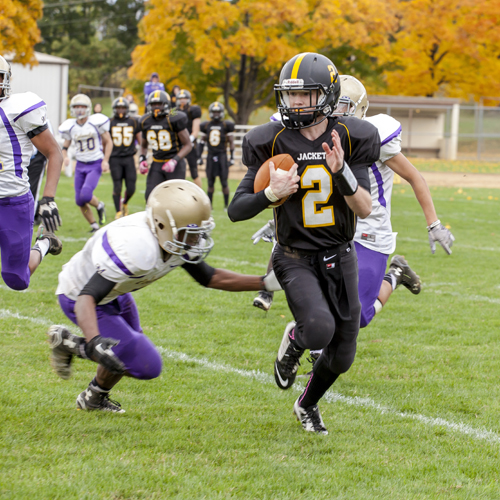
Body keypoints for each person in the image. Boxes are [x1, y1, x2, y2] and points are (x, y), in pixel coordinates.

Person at [228, 52, 380, 434]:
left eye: (305, 95)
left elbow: (363, 208)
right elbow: (236, 209)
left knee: (343, 355)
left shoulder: (351, 135)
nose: (295, 103)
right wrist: (270, 194)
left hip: (340, 253)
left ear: (327, 95)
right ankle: (296, 341)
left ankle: (306, 404)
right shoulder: (270, 139)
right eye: (290, 94)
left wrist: (341, 170)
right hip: (294, 255)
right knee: (317, 328)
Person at [47, 179, 281, 412]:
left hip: (116, 290)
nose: (196, 240)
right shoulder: (137, 247)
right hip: (80, 295)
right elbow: (87, 296)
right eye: (191, 233)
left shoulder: (170, 239)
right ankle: (70, 344)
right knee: (145, 363)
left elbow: (209, 277)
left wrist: (264, 282)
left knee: (129, 345)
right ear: (163, 226)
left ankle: (93, 398)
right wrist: (92, 342)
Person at [0, 54, 63, 291]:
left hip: (12, 203)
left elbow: (54, 152)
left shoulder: (18, 109)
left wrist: (48, 199)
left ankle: (45, 242)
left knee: (16, 279)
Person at [59, 94, 112, 233]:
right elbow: (65, 147)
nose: (80, 110)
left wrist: (105, 160)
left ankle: (99, 205)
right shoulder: (70, 126)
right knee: (79, 201)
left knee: (86, 195)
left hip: (95, 163)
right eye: (77, 107)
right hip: (80, 165)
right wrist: (65, 157)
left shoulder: (95, 123)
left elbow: (109, 141)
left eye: (82, 107)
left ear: (88, 108)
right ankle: (94, 225)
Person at [138, 90, 192, 201]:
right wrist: (142, 159)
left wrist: (174, 160)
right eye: (153, 105)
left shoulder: (174, 118)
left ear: (166, 105)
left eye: (159, 104)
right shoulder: (145, 121)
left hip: (175, 164)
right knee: (150, 197)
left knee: (175, 199)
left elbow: (188, 145)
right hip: (156, 163)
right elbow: (143, 145)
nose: (156, 108)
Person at [109, 97, 141, 218]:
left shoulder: (133, 121)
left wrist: (142, 153)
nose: (120, 110)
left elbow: (139, 138)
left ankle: (125, 202)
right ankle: (118, 212)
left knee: (131, 188)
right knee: (117, 186)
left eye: (123, 107)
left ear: (127, 109)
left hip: (129, 158)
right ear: (114, 109)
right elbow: (106, 140)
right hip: (115, 158)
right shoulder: (110, 121)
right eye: (118, 108)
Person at [199, 102, 235, 209]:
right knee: (210, 183)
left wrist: (232, 157)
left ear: (221, 113)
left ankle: (226, 206)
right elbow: (201, 143)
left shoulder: (226, 125)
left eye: (218, 112)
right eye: (214, 112)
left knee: (224, 182)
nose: (216, 114)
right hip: (210, 156)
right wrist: (199, 156)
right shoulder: (206, 126)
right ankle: (210, 206)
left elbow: (231, 143)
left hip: (222, 156)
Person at [176, 89, 203, 188]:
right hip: (178, 145)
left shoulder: (193, 110)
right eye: (180, 98)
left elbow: (196, 130)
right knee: (177, 172)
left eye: (185, 98)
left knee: (194, 172)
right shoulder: (174, 111)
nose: (182, 100)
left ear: (189, 99)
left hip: (190, 144)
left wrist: (188, 141)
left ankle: (201, 196)